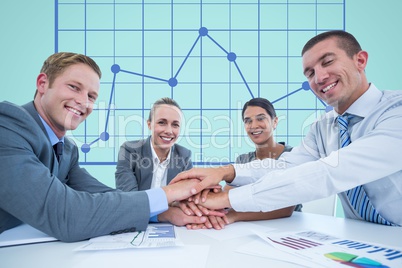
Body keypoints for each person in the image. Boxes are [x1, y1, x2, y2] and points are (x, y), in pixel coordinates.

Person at [171, 30, 402, 227]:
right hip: (362, 239)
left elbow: (329, 172)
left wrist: (227, 200)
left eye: (328, 62)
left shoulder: (396, 112)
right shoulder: (323, 127)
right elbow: (286, 165)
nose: (319, 77)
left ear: (360, 61)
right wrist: (225, 171)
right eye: (309, 73)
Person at [0, 52, 208, 242]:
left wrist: (162, 213)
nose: (83, 101)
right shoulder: (8, 124)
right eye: (74, 87)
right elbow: (66, 216)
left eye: (91, 96)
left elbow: (103, 195)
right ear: (43, 83)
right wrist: (168, 193)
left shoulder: (68, 150)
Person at [115, 97, 221, 227]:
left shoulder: (184, 156)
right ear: (149, 124)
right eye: (162, 122)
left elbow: (188, 200)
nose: (169, 131)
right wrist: (167, 212)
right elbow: (130, 201)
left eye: (175, 125)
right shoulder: (129, 150)